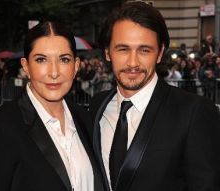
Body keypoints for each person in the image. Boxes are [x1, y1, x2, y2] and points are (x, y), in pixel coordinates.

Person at [89, 2, 220, 191]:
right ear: (108, 53)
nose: (133, 62)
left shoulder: (194, 112)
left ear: (159, 53)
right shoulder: (97, 105)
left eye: (144, 50)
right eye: (123, 49)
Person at [0, 20, 105, 191]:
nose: (54, 72)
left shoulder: (85, 118)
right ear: (26, 66)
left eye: (64, 59)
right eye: (41, 60)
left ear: (76, 66)